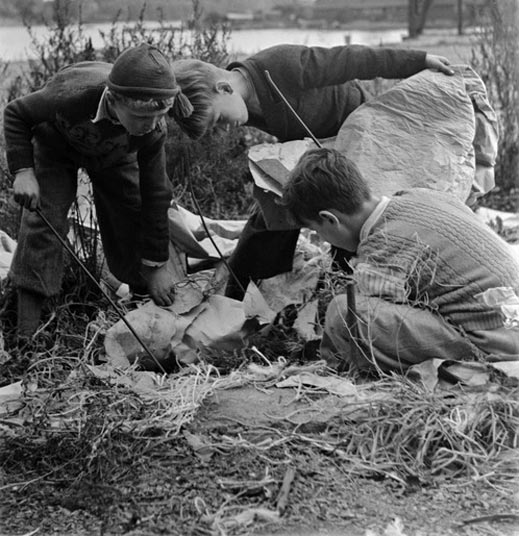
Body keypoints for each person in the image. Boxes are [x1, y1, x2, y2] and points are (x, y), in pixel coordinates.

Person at [172, 43, 454, 298]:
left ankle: (346, 297)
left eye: (219, 119)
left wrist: (420, 60)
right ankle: (238, 293)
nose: (223, 129)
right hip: (315, 148)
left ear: (223, 88)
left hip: (357, 135)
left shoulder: (280, 64)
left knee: (349, 224)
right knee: (274, 212)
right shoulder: (239, 101)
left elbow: (352, 59)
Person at [3, 43, 193, 339]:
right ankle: (26, 333)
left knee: (133, 211)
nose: (152, 125)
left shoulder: (152, 129)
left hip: (115, 156)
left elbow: (156, 194)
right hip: (56, 147)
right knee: (44, 221)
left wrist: (156, 265)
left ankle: (143, 308)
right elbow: (16, 113)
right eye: (143, 118)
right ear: (114, 100)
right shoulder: (69, 95)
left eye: (159, 118)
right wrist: (23, 171)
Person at [281, 147, 519, 372]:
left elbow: (368, 309)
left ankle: (333, 369)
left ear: (330, 219)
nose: (321, 241)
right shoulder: (419, 196)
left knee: (343, 311)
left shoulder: (381, 245)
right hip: (510, 319)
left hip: (490, 342)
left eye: (317, 231)